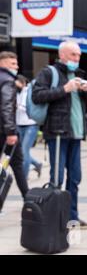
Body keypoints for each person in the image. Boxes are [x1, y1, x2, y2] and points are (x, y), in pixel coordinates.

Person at [32, 41, 87, 229]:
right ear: (62, 55)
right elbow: (37, 95)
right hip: (58, 133)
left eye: (78, 55)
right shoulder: (49, 72)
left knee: (75, 178)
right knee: (57, 179)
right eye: (73, 55)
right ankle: (54, 218)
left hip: (76, 134)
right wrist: (65, 89)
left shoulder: (79, 74)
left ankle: (72, 217)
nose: (77, 59)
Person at [0, 51, 29, 201]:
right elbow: (7, 107)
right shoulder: (7, 81)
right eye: (12, 63)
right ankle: (28, 199)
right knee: (18, 165)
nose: (16, 67)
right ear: (2, 62)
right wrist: (11, 132)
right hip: (5, 132)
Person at [15, 75, 43, 179]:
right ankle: (37, 164)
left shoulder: (28, 91)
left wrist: (15, 105)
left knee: (23, 151)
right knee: (22, 151)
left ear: (22, 82)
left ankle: (24, 177)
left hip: (30, 125)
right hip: (19, 125)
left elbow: (25, 107)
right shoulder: (16, 92)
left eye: (17, 83)